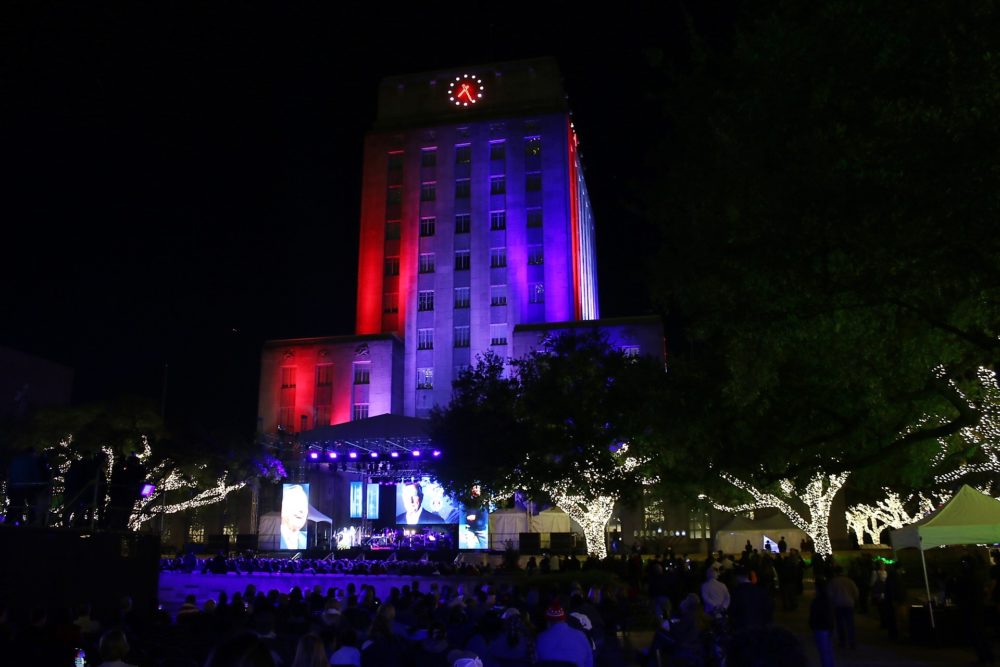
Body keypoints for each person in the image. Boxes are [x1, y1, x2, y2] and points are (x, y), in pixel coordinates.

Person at [535, 600, 593, 667]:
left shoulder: (540, 638)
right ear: (564, 619)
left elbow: (536, 661)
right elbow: (589, 662)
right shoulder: (581, 636)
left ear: (548, 622)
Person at [280, 484, 309, 549]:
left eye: (304, 506)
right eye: (297, 504)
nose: (301, 510)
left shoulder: (305, 540)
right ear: (283, 508)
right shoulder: (273, 538)